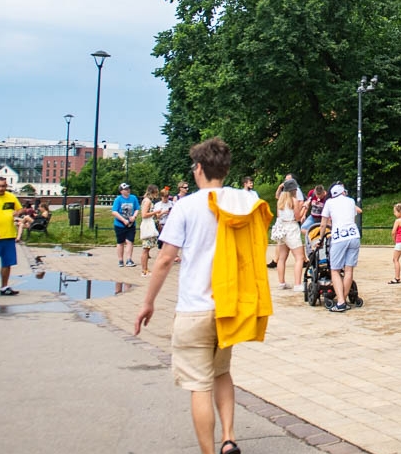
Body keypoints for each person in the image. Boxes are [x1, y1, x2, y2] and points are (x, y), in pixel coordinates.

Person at [134, 137, 259, 454]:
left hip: (194, 308)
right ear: (227, 169)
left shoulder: (186, 206)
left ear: (199, 168)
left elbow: (163, 259)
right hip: (228, 306)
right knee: (222, 372)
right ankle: (228, 438)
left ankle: (208, 451)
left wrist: (147, 302)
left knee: (199, 384)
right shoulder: (242, 201)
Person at [320, 183, 361, 313]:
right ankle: (344, 300)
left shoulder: (329, 203)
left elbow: (323, 224)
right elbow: (353, 218)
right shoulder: (351, 201)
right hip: (353, 235)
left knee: (335, 270)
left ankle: (341, 301)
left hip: (339, 237)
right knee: (349, 270)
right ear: (343, 192)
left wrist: (321, 239)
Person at [269, 189, 305, 291]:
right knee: (299, 257)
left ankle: (281, 282)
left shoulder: (280, 201)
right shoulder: (294, 200)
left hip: (282, 228)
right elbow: (298, 217)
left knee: (282, 257)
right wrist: (305, 207)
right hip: (291, 227)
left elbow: (279, 216)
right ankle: (297, 284)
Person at [112, 182, 139, 267]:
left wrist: (134, 216)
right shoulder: (118, 199)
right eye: (126, 189)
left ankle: (129, 259)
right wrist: (123, 220)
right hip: (120, 224)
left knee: (130, 241)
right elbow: (114, 212)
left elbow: (137, 209)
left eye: (128, 188)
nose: (128, 190)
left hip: (131, 224)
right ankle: (120, 260)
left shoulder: (133, 198)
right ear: (121, 191)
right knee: (120, 242)